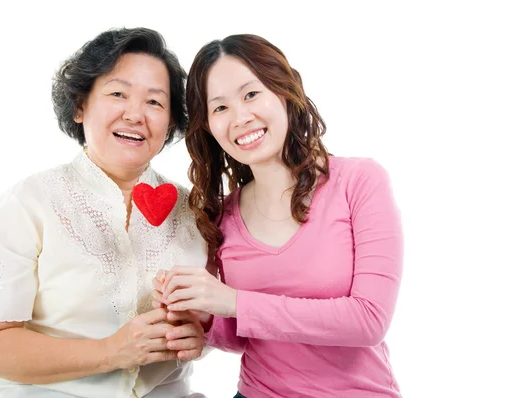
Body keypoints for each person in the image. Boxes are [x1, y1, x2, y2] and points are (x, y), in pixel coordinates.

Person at [0, 27, 208, 398]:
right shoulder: (29, 203)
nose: (135, 114)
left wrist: (201, 335)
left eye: (155, 102)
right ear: (80, 106)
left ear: (172, 122)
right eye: (117, 94)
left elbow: (223, 318)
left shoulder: (196, 212)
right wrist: (110, 352)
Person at [153, 34, 404, 397]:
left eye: (251, 94)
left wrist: (232, 301)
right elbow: (247, 335)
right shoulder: (224, 215)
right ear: (209, 126)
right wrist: (201, 321)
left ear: (284, 93)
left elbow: (368, 320)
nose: (240, 117)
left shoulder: (359, 182)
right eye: (220, 108)